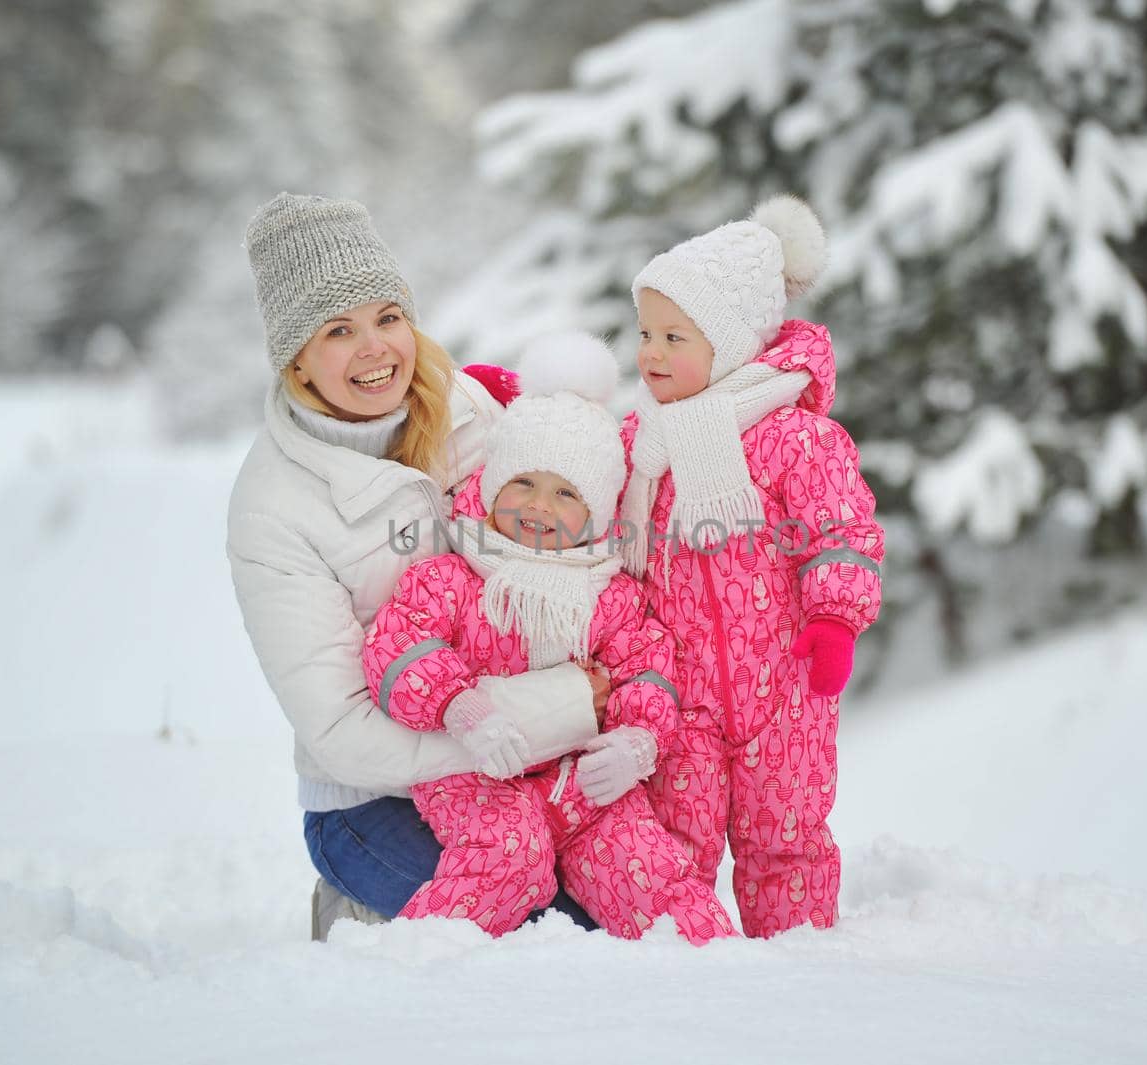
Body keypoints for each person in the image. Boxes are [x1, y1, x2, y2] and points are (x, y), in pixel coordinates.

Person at [226, 193, 605, 937]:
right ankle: (361, 908)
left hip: (525, 774)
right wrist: (563, 708)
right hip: (372, 800)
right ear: (296, 356)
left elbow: (569, 524)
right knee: (545, 933)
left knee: (618, 907)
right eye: (339, 329)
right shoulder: (273, 508)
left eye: (388, 318)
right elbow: (340, 729)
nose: (376, 350)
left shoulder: (462, 407)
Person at [361, 334, 737, 944]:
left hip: (585, 786)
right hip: (477, 776)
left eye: (566, 493)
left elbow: (648, 669)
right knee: (508, 853)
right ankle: (410, 966)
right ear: (491, 489)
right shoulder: (454, 575)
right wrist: (458, 705)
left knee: (645, 867)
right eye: (523, 483)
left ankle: (719, 973)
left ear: (596, 512)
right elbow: (397, 646)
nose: (539, 506)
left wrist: (638, 745)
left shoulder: (608, 594)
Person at [618, 196, 886, 937]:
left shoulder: (794, 439)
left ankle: (795, 981)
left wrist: (835, 617)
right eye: (645, 333)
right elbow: (578, 496)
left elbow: (841, 528)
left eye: (675, 336)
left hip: (785, 691)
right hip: (684, 697)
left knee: (785, 844)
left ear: (732, 343)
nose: (651, 353)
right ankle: (689, 977)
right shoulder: (645, 448)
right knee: (677, 841)